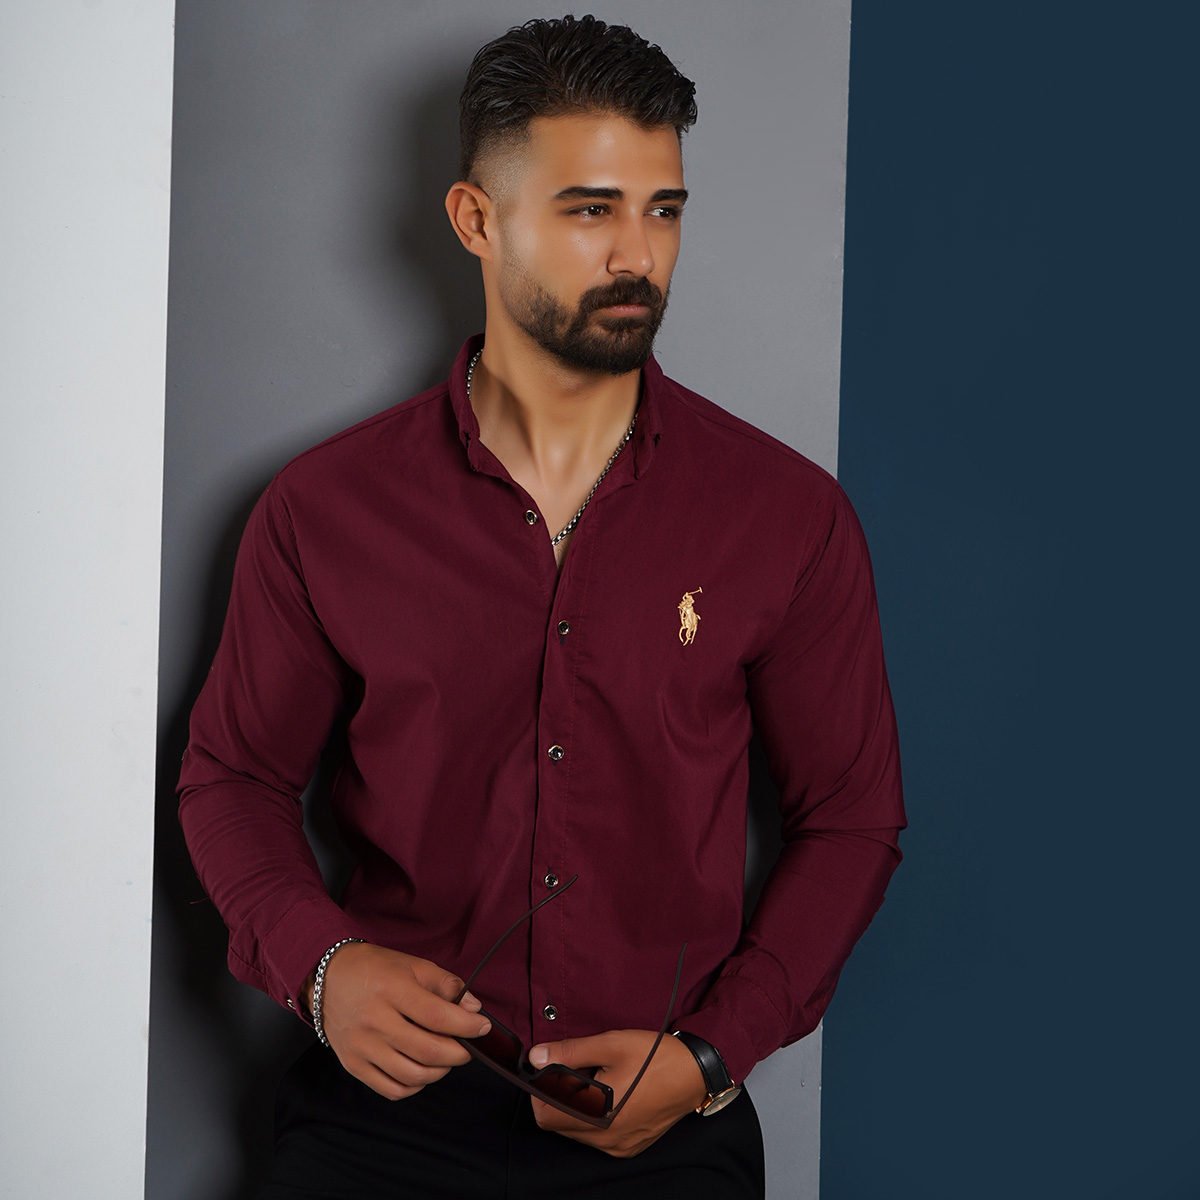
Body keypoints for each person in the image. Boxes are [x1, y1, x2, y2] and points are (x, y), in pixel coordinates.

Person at [178, 14, 905, 1198]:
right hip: (384, 1118)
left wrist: (711, 1056)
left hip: (664, 1123)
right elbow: (233, 778)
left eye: (663, 210)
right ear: (477, 219)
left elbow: (853, 819)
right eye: (590, 210)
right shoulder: (324, 511)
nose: (639, 255)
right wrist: (321, 968)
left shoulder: (787, 517)